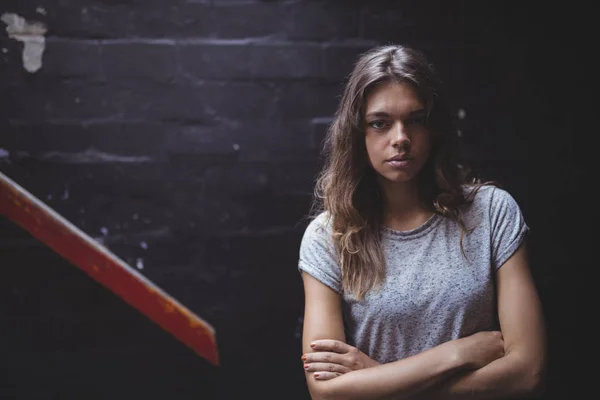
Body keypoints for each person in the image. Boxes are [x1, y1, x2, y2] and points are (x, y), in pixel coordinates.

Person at [297, 44, 546, 400]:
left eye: (415, 120)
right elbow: (326, 392)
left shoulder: (492, 213)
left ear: (434, 128)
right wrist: (453, 354)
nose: (400, 138)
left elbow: (527, 372)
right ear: (358, 133)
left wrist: (377, 378)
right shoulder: (328, 236)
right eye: (380, 123)